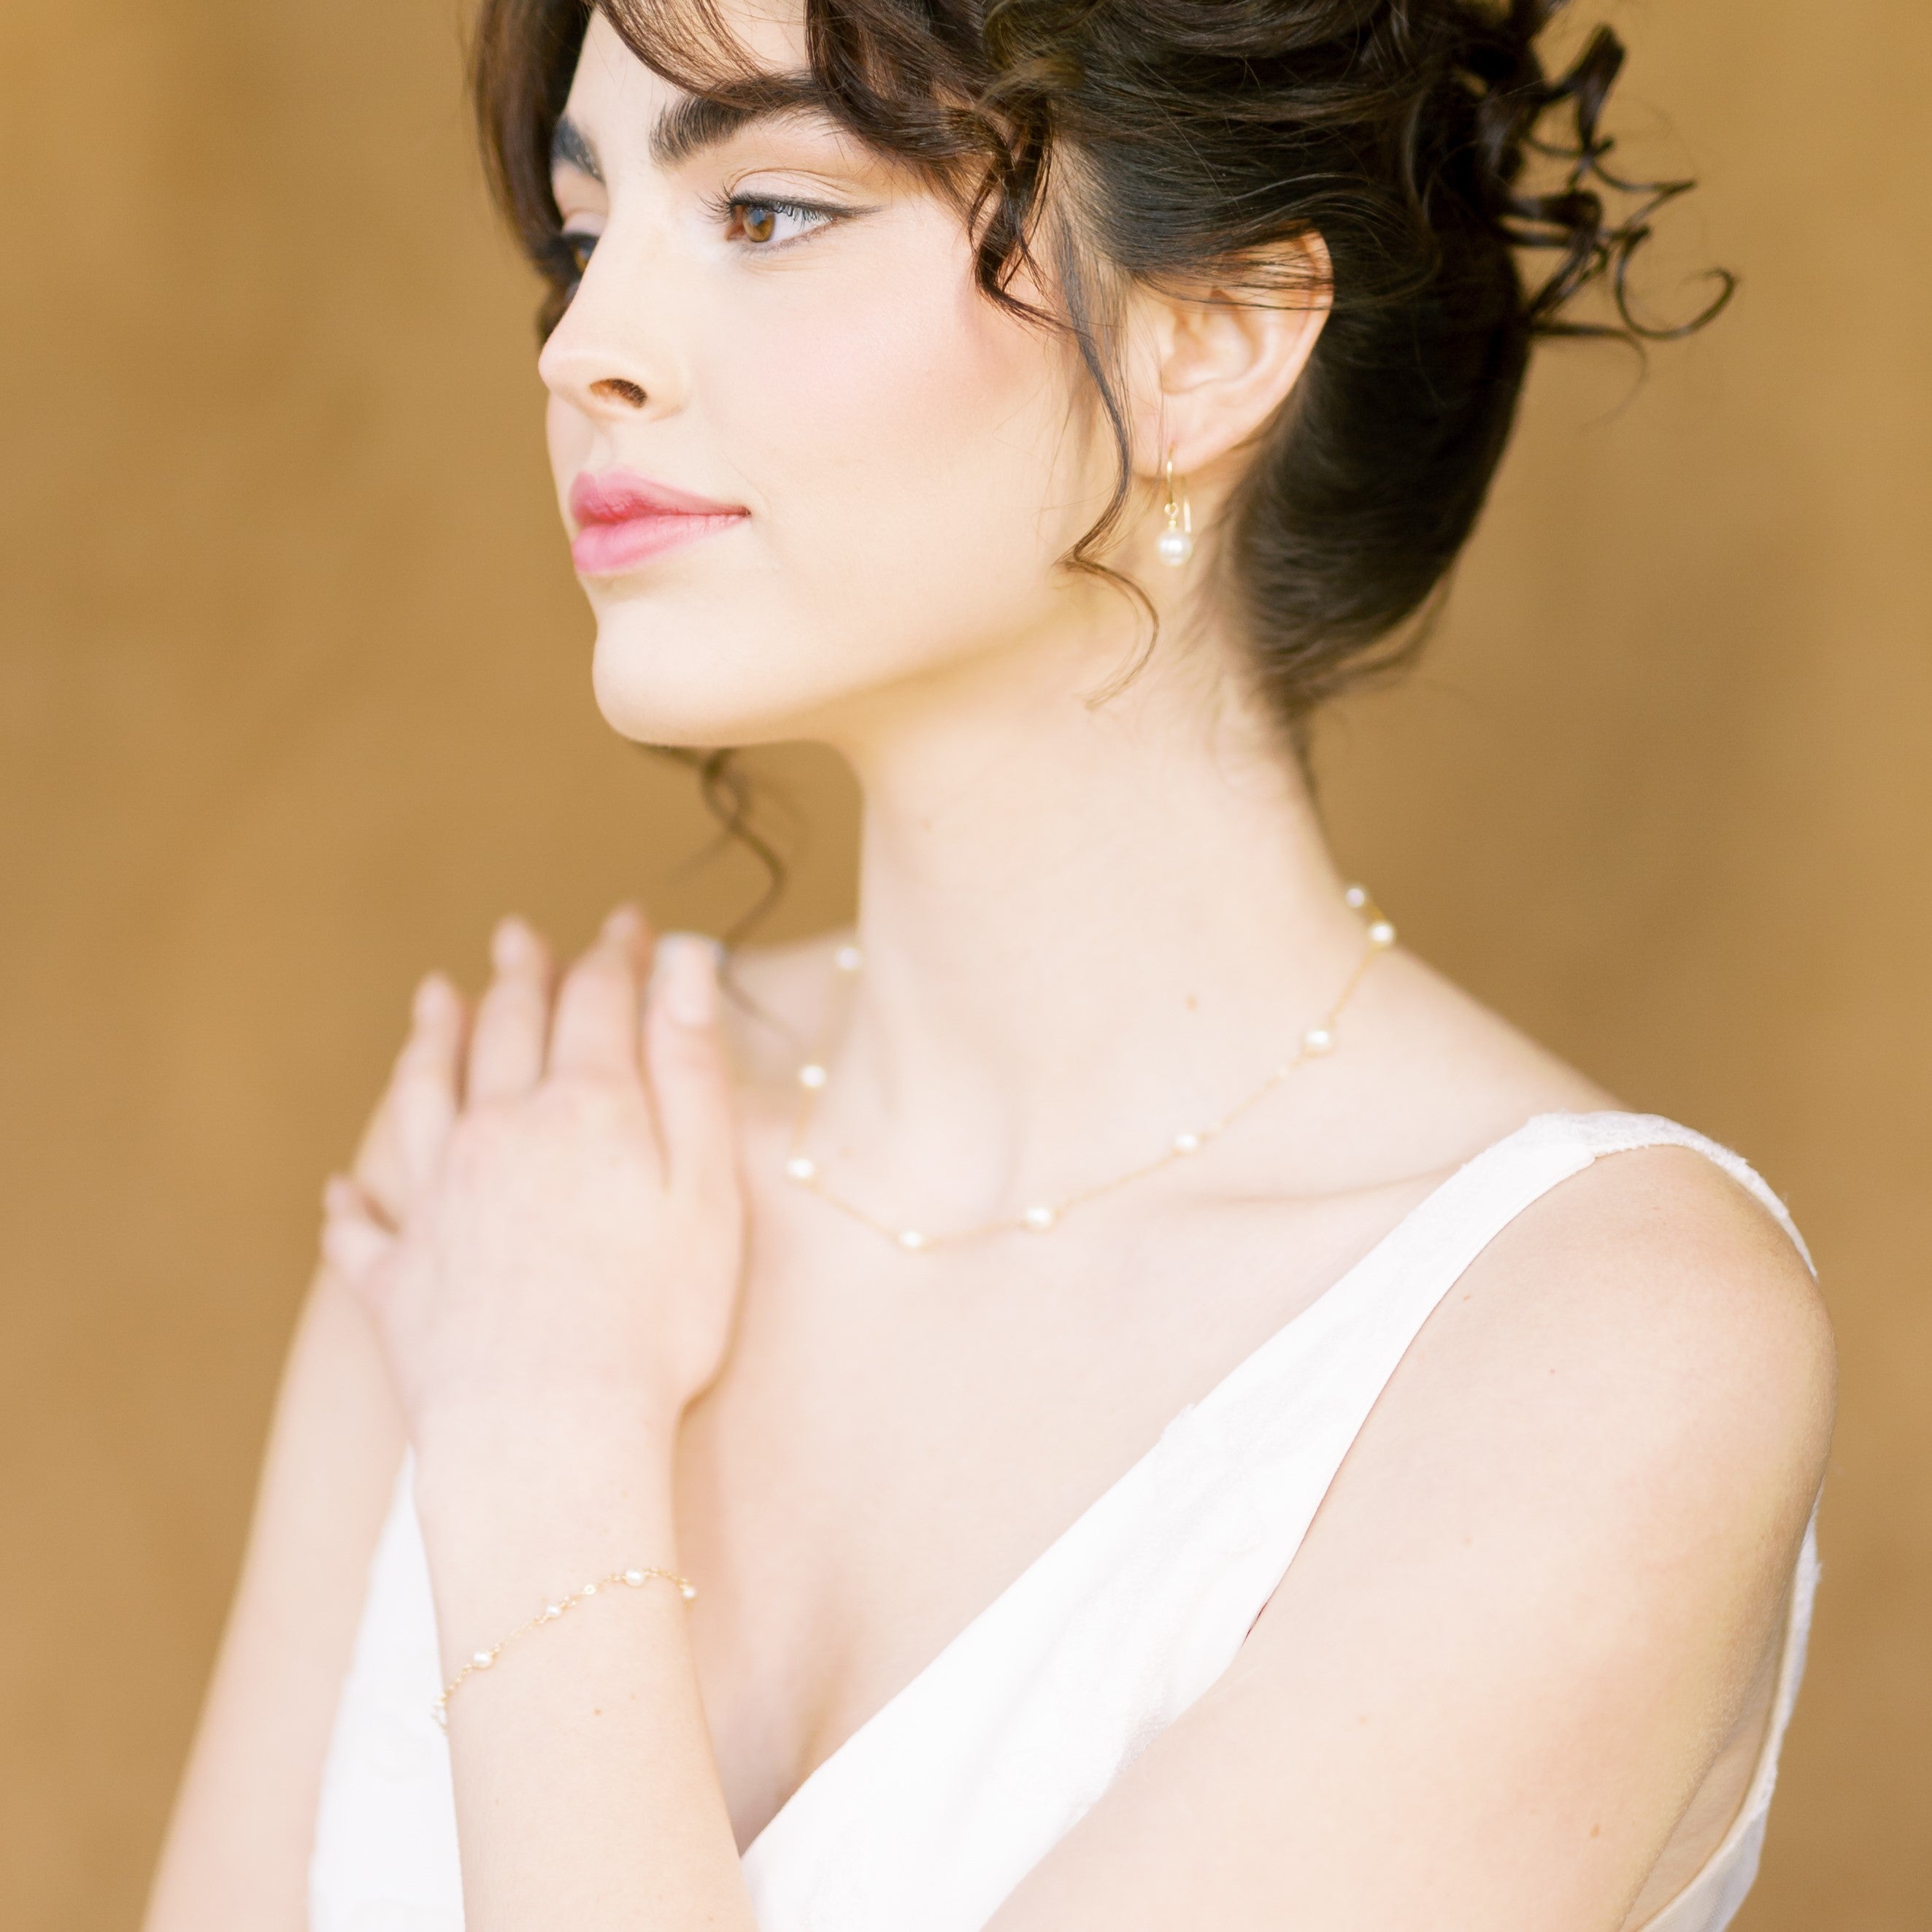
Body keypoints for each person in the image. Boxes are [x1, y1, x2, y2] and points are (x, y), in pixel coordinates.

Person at [142, 1, 1835, 1927]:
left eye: (769, 210)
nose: (585, 350)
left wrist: (541, 1444)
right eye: (579, 232)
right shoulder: (534, 1156)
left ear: (1212, 337)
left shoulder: (1592, 1345)